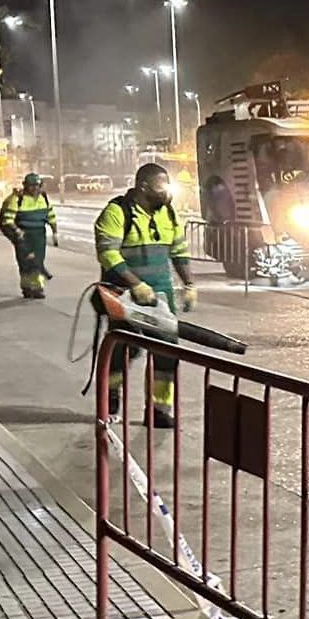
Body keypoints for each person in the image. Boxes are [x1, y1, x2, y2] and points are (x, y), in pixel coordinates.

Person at [94, 162, 195, 427]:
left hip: (161, 296)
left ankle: (159, 410)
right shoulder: (117, 212)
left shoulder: (168, 214)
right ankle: (110, 399)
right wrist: (135, 284)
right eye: (161, 186)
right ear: (143, 187)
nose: (166, 192)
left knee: (167, 353)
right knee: (123, 349)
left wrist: (189, 284)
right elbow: (108, 252)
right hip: (125, 296)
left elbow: (179, 251)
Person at [0, 173, 58, 299]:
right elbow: (7, 220)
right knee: (25, 262)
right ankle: (26, 287)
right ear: (25, 186)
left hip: (39, 234)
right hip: (23, 235)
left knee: (38, 261)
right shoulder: (16, 199)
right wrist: (17, 231)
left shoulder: (44, 198)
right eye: (32, 186)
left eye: (37, 185)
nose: (35, 189)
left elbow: (51, 216)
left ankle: (37, 288)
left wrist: (55, 232)